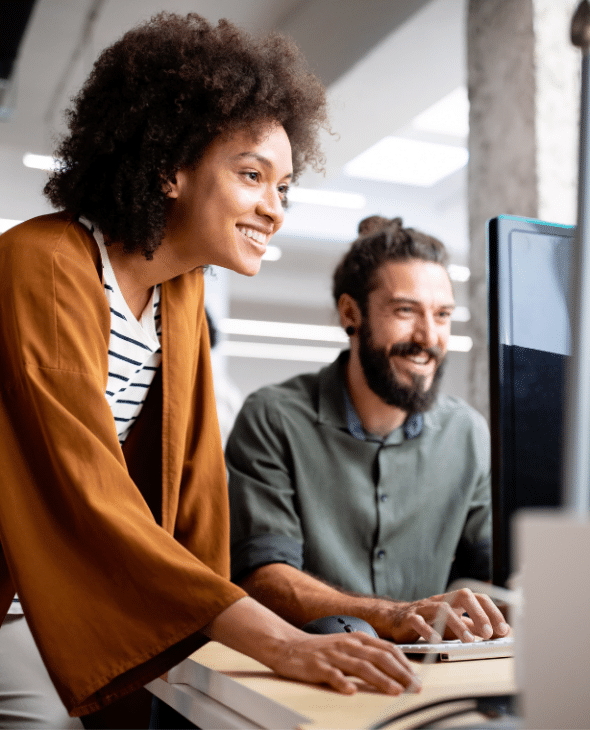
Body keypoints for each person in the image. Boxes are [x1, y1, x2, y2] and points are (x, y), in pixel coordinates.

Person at [0, 17, 422, 729]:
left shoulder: (180, 293)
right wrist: (273, 639)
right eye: (252, 175)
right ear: (170, 165)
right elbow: (84, 482)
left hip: (55, 603)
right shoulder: (40, 264)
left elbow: (192, 495)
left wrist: (237, 634)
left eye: (283, 187)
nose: (273, 210)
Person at [227, 216, 510, 646]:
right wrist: (394, 615)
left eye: (443, 315)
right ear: (350, 313)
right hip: (309, 668)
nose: (428, 337)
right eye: (405, 311)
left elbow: (496, 570)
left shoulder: (466, 433)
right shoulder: (273, 418)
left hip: (433, 670)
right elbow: (264, 579)